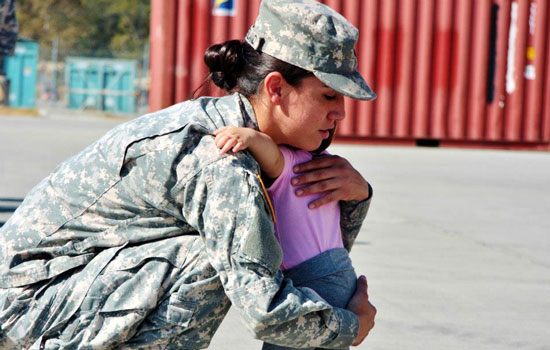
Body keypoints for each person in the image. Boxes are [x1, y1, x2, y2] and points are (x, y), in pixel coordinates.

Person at [0, 0, 377, 349]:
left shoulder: (265, 143)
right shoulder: (222, 157)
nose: (341, 114)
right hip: (29, 304)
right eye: (329, 96)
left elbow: (312, 255)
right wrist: (352, 327)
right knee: (210, 259)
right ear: (276, 88)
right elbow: (266, 309)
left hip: (71, 291)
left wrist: (356, 197)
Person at [214, 125, 369, 350]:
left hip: (313, 277)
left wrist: (249, 137)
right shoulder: (324, 164)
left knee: (292, 338)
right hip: (338, 273)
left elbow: (271, 155)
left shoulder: (293, 162)